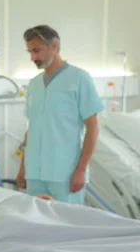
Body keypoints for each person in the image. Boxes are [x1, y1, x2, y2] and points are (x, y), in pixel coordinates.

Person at [16, 25, 104, 204]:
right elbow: (31, 129)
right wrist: (23, 166)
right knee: (36, 226)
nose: (32, 57)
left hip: (65, 175)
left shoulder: (79, 79)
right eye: (29, 52)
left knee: (67, 228)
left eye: (36, 51)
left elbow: (93, 128)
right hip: (35, 174)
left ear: (54, 47)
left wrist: (80, 170)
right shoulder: (34, 85)